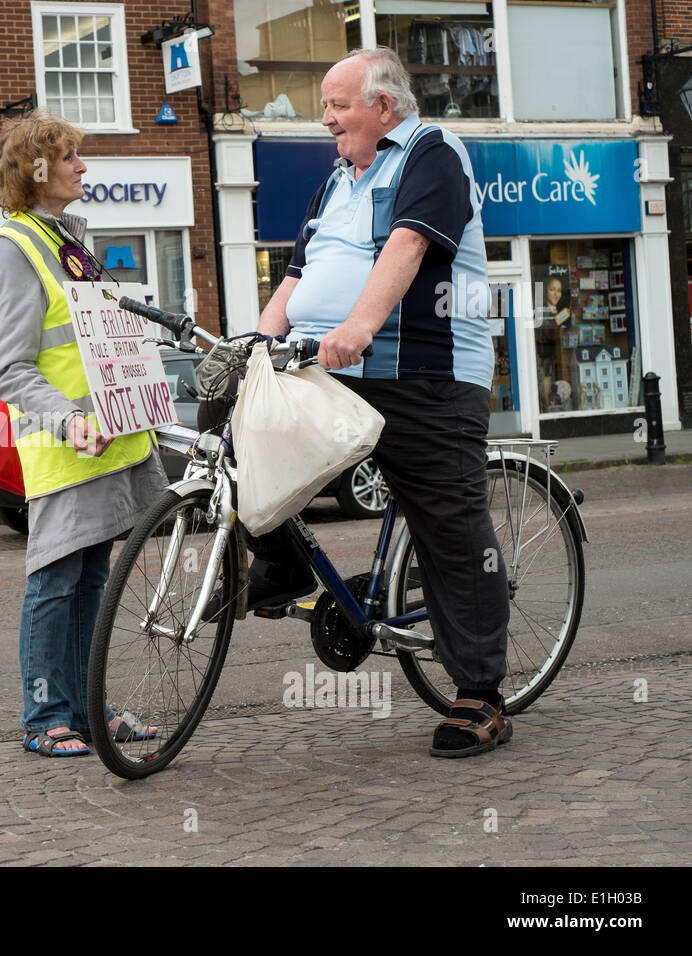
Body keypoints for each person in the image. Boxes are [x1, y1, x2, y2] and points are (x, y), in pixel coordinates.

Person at [257, 48, 512, 757]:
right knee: (235, 421)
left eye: (337, 104)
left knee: (449, 524)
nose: (326, 117)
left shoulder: (432, 153)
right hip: (331, 365)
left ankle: (480, 694)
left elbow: (407, 246)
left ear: (384, 107)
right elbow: (296, 277)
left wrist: (359, 326)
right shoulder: (336, 181)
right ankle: (279, 558)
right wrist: (253, 346)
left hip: (425, 373)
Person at [0, 111, 166, 756]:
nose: (83, 166)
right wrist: (68, 418)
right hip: (66, 446)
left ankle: (90, 709)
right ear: (36, 169)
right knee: (55, 581)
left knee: (92, 582)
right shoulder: (13, 247)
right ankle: (45, 716)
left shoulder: (66, 239)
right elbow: (11, 369)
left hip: (107, 440)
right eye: (69, 158)